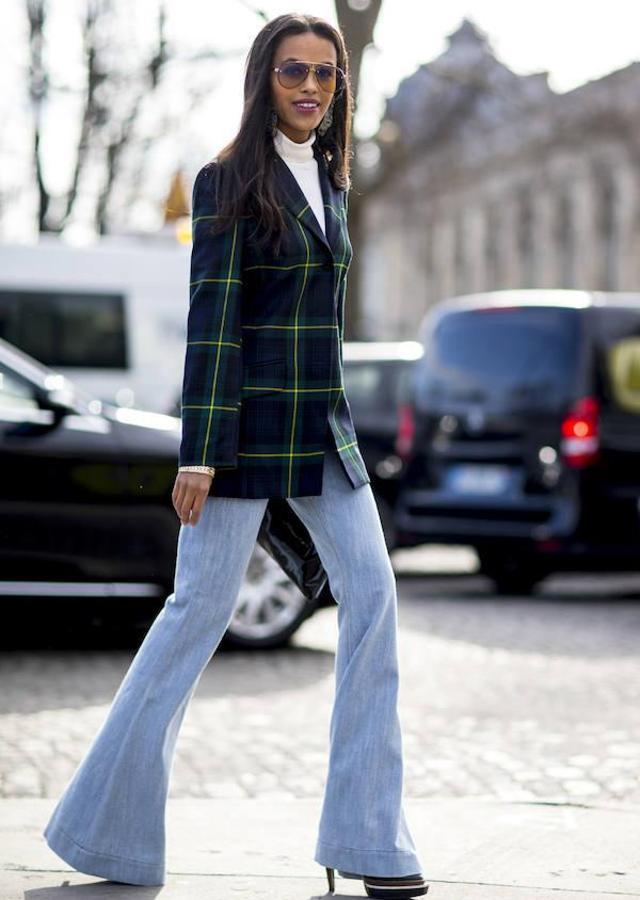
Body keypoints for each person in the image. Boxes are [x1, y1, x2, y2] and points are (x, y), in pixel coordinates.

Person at [42, 12, 428, 899]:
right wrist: (199, 453)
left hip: (324, 432)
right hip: (242, 434)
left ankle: (369, 840)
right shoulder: (224, 181)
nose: (309, 87)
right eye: (293, 71)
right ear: (265, 80)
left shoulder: (333, 179)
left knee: (374, 599)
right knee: (195, 617)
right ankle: (106, 833)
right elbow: (213, 324)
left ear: (340, 89)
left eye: (326, 76)